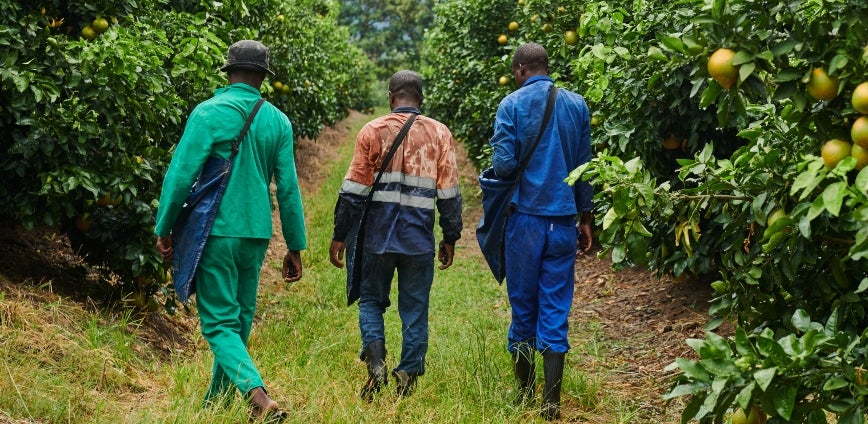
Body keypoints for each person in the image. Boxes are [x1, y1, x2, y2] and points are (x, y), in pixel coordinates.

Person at [154, 39, 306, 421]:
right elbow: (287, 187)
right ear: (262, 77)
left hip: (215, 230)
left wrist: (165, 225)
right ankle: (216, 403)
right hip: (256, 232)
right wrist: (295, 244)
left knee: (220, 323)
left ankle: (260, 398)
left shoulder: (208, 113)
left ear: (230, 71)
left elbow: (180, 175)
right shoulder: (278, 121)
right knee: (237, 320)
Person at [329, 70, 462, 400]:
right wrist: (450, 236)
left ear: (391, 97)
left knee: (371, 300)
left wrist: (340, 234)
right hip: (418, 241)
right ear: (421, 99)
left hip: (378, 238)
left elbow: (353, 190)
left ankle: (375, 364)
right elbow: (449, 193)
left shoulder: (373, 130)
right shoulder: (439, 134)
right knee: (415, 309)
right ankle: (408, 374)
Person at [490, 43, 594, 420]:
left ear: (519, 69)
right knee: (555, 307)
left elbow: (503, 166)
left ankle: (523, 397)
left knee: (524, 306)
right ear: (546, 67)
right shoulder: (576, 104)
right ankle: (551, 404)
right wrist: (586, 217)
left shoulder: (512, 105)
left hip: (526, 222)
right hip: (564, 222)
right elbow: (585, 166)